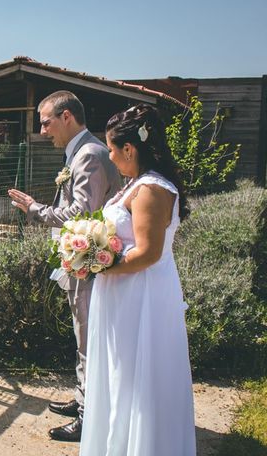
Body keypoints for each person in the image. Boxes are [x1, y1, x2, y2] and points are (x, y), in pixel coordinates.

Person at [80, 104, 196, 455]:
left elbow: (147, 253)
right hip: (124, 294)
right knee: (119, 375)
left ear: (130, 148)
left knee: (135, 376)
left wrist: (96, 264)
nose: (111, 157)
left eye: (113, 149)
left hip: (140, 295)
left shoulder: (151, 189)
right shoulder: (138, 184)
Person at [8, 90, 121, 442]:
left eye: (46, 122)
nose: (42, 131)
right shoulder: (83, 152)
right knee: (81, 334)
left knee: (88, 337)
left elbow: (81, 214)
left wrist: (35, 209)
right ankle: (82, 397)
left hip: (90, 265)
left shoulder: (88, 155)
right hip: (82, 262)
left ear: (67, 116)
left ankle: (89, 417)